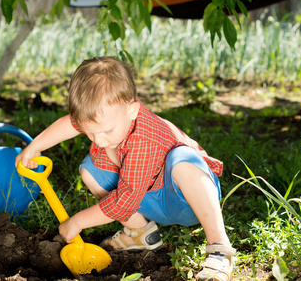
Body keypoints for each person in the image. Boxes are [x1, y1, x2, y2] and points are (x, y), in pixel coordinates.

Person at [15, 56, 236, 281]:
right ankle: (140, 233)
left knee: (183, 161)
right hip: (146, 196)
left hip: (186, 199)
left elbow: (123, 201)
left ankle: (219, 247)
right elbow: (70, 123)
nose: (98, 140)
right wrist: (34, 147)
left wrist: (77, 221)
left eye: (106, 131)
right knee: (91, 169)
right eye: (90, 132)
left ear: (132, 110)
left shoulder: (144, 140)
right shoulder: (109, 117)